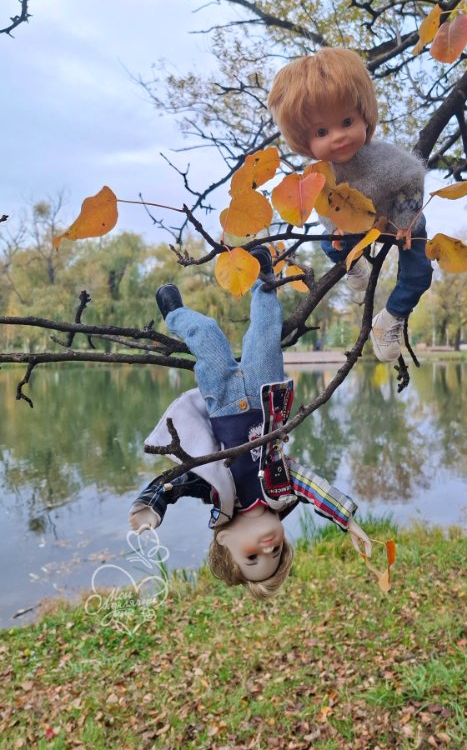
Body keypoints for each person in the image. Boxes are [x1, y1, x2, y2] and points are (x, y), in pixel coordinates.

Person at [128, 247, 372, 600]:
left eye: (253, 556)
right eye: (276, 553)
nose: (268, 547)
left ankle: (175, 314)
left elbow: (174, 483)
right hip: (264, 393)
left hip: (222, 401)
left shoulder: (216, 494)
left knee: (208, 337)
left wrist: (151, 507)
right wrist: (347, 520)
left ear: (224, 541)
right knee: (265, 333)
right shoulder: (281, 488)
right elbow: (315, 488)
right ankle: (264, 279)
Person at [267, 47, 433, 362]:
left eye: (346, 121)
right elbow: (324, 207)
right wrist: (337, 229)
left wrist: (405, 220)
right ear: (304, 139)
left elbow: (412, 175)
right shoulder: (319, 175)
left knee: (420, 270)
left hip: (397, 218)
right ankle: (353, 263)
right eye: (321, 131)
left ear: (363, 114)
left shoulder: (383, 159)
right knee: (330, 244)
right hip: (355, 228)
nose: (338, 137)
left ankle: (390, 318)